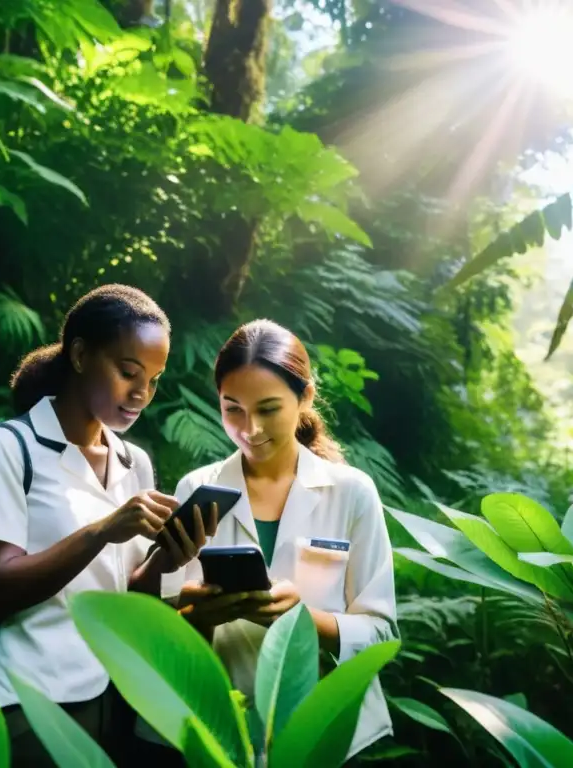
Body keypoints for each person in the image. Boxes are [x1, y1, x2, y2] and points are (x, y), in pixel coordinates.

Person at [0, 284, 215, 766]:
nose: (142, 393)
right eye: (128, 372)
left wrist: (169, 558)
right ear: (79, 354)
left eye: (154, 379)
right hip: (30, 700)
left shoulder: (132, 460)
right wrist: (102, 531)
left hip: (115, 698)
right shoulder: (7, 448)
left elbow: (129, 597)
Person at [161, 319, 398, 762]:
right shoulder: (197, 488)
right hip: (221, 728)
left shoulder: (351, 492)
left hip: (326, 731)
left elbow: (382, 633)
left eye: (268, 409)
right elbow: (169, 629)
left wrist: (302, 620)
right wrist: (198, 611)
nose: (250, 429)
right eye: (233, 409)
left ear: (305, 397)